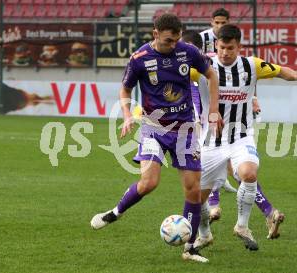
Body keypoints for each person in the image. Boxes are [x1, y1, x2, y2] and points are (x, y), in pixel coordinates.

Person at [90, 14, 223, 263]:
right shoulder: (140, 58)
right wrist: (128, 114)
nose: (174, 45)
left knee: (193, 191)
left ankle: (190, 248)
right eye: (168, 40)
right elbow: (125, 88)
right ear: (155, 34)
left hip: (185, 128)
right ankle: (116, 212)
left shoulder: (188, 51)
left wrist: (214, 111)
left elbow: (212, 75)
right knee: (149, 183)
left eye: (177, 40)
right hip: (154, 128)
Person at [193, 24, 297, 251]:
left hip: (241, 136)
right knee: (199, 199)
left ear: (239, 47)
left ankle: (242, 226)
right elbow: (178, 73)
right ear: (215, 45)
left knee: (249, 173)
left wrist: (296, 75)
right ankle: (205, 234)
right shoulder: (204, 65)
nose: (225, 52)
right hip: (211, 140)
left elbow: (279, 70)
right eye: (221, 47)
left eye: (230, 48)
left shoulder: (251, 65)